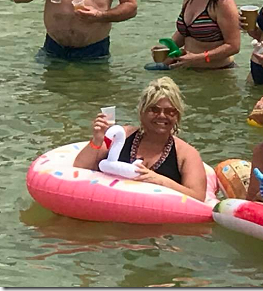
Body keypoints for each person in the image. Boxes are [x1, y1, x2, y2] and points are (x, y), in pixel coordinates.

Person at [73, 77, 207, 202]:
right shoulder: (122, 136)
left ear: (177, 116)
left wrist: (159, 180)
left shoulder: (186, 154)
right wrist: (97, 140)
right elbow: (80, 168)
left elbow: (197, 197)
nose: (161, 116)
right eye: (154, 110)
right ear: (142, 112)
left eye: (170, 111)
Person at [14, 0, 137, 60]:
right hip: (53, 48)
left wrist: (100, 15)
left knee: (93, 100)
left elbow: (131, 7)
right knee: (51, 103)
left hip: (93, 51)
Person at [155, 0, 240, 70]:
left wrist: (198, 58)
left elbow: (233, 46)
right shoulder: (188, 1)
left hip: (218, 73)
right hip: (187, 70)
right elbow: (185, 32)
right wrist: (168, 48)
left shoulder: (223, 3)